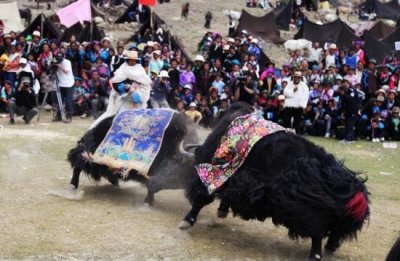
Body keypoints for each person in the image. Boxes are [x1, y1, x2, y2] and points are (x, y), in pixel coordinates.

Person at [89, 50, 152, 129]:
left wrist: (137, 93)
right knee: (115, 115)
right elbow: (115, 82)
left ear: (136, 61)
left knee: (136, 119)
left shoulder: (140, 69)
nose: (132, 61)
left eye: (134, 60)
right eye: (130, 60)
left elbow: (146, 84)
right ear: (128, 60)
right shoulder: (123, 68)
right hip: (122, 97)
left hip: (136, 97)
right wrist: (123, 87)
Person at [55, 52, 75, 123]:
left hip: (69, 84)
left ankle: (69, 116)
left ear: (64, 57)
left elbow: (66, 71)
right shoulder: (55, 61)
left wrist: (58, 66)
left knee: (68, 101)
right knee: (59, 101)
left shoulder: (67, 62)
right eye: (58, 58)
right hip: (60, 84)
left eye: (61, 58)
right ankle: (59, 115)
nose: (59, 60)